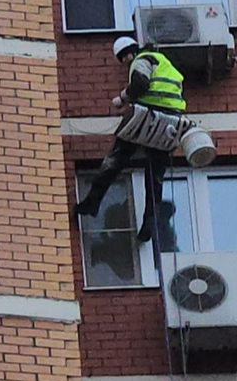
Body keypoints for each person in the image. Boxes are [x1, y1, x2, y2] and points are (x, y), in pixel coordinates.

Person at [74, 36, 186, 243]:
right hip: (171, 120)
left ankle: (92, 202)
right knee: (156, 176)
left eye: (124, 57)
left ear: (130, 52)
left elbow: (141, 84)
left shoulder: (142, 59)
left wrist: (123, 97)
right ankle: (150, 223)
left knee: (115, 159)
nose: (125, 62)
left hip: (147, 115)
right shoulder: (164, 62)